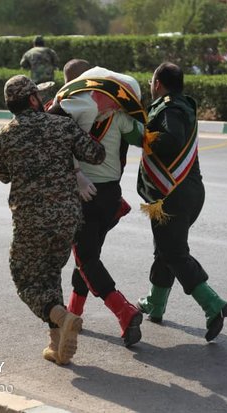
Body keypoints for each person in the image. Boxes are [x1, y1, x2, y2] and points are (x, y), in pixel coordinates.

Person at [0, 74, 105, 365]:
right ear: (32, 99)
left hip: (31, 220)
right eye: (38, 96)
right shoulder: (63, 125)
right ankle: (57, 345)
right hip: (67, 218)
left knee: (24, 278)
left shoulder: (2, 137)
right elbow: (96, 154)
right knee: (50, 274)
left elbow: (3, 176)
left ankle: (61, 316)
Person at [48, 59, 146, 347]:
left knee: (87, 260)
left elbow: (55, 147)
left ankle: (125, 312)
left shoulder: (65, 115)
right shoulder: (119, 114)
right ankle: (74, 311)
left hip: (84, 196)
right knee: (88, 257)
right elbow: (143, 137)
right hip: (110, 197)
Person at [136, 62, 227, 342]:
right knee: (165, 248)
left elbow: (171, 139)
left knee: (174, 252)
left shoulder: (170, 108)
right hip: (186, 191)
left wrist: (142, 135)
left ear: (157, 84)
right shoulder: (182, 104)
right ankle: (155, 302)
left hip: (173, 194)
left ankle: (212, 304)